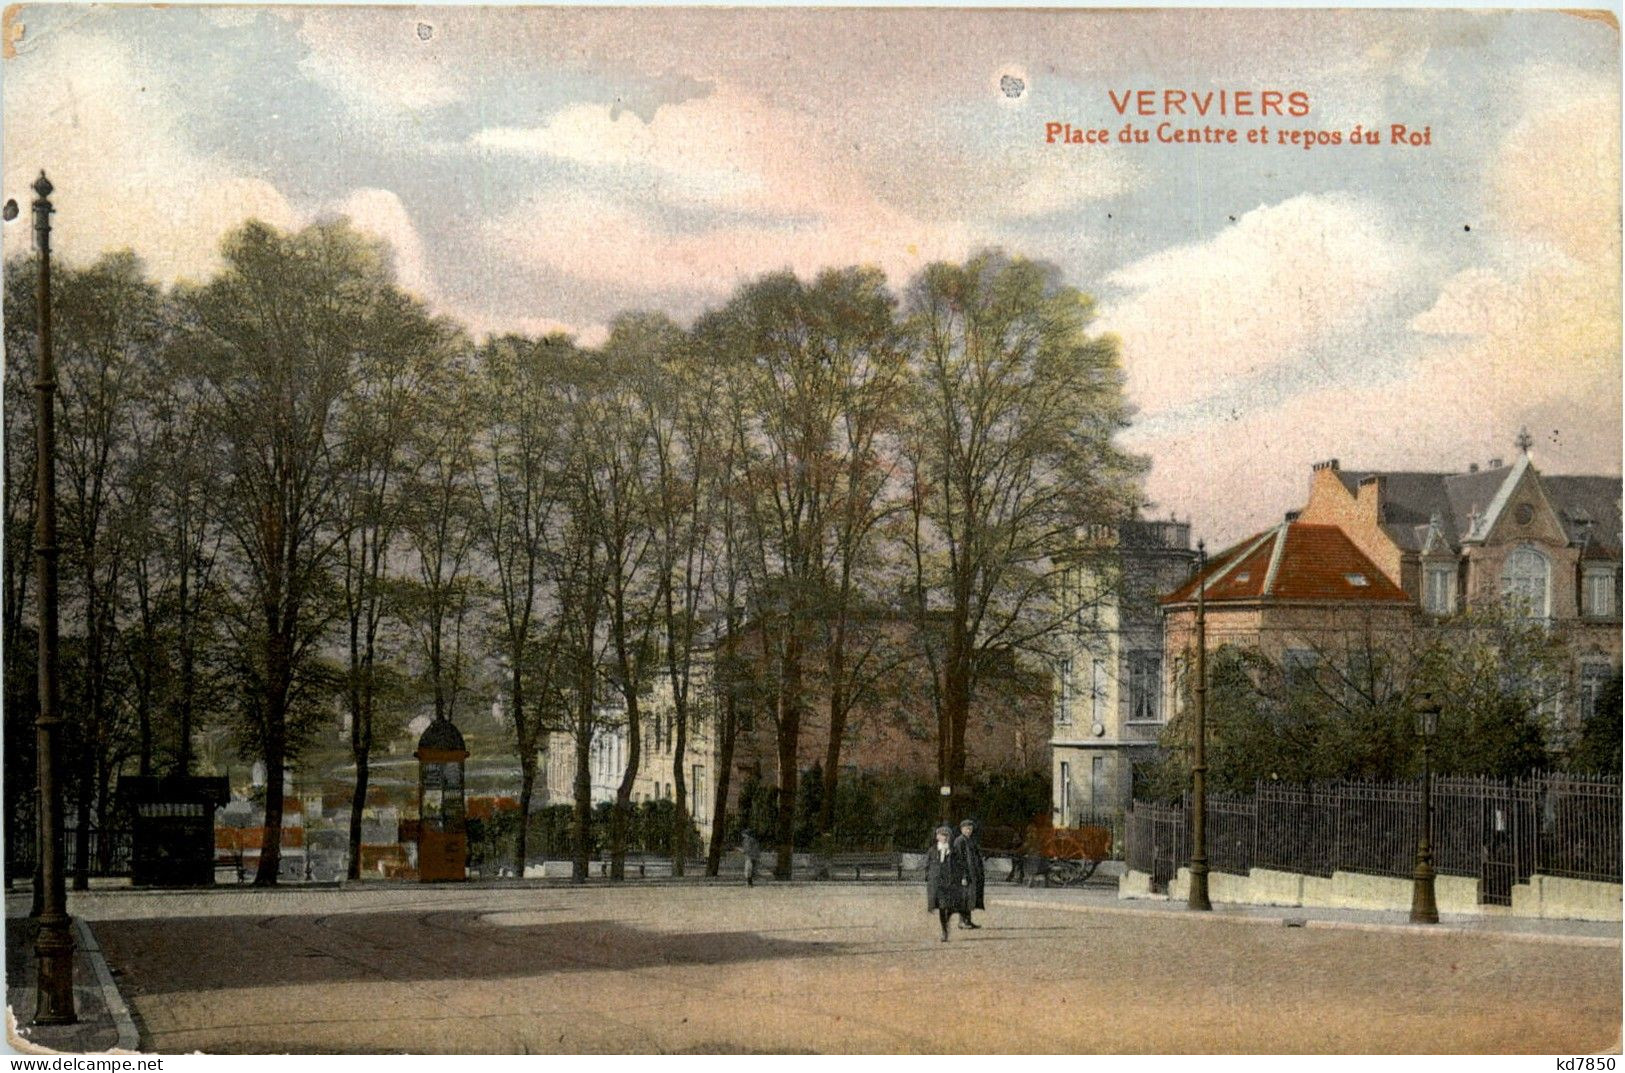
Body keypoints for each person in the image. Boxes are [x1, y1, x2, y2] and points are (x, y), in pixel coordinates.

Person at [925, 824, 966, 941]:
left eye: (947, 835)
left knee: (952, 906)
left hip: (950, 882)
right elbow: (927, 865)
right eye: (942, 835)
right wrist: (929, 877)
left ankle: (947, 922)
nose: (945, 838)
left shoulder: (953, 851)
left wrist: (962, 877)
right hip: (938, 883)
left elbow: (960, 865)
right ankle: (944, 931)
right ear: (937, 836)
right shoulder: (933, 850)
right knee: (942, 907)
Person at [953, 818, 985, 929]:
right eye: (967, 829)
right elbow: (959, 860)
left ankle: (968, 921)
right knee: (964, 898)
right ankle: (962, 922)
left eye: (970, 829)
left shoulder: (971, 841)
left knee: (970, 898)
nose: (969, 831)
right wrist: (963, 876)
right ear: (962, 829)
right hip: (964, 875)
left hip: (972, 875)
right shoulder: (959, 841)